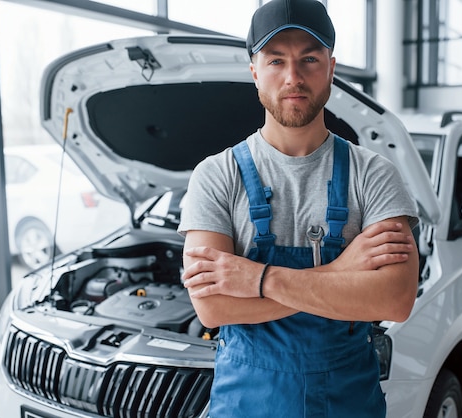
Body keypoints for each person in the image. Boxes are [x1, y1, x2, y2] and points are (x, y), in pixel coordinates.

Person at [178, 0, 419, 416]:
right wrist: (342, 274)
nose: (293, 77)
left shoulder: (375, 174)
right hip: (246, 403)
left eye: (309, 58)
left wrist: (255, 278)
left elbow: (394, 299)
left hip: (348, 402)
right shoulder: (216, 175)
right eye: (276, 60)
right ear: (254, 71)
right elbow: (213, 308)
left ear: (331, 67)